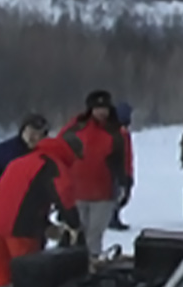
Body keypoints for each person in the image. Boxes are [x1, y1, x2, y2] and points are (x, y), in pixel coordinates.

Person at [0, 134, 77, 287]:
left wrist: (46, 225)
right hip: (22, 229)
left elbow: (22, 197)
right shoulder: (53, 165)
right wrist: (74, 224)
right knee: (29, 277)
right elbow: (64, 194)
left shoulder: (21, 161)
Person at [54, 91, 127, 257]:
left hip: (104, 193)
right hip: (76, 191)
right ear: (90, 109)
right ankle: (71, 264)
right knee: (76, 233)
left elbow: (125, 161)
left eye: (105, 108)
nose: (102, 112)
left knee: (94, 234)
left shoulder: (117, 133)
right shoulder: (73, 129)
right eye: (97, 108)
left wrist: (126, 183)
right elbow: (57, 153)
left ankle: (91, 264)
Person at [0, 114, 49, 223]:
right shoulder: (3, 152)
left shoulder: (47, 155)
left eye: (37, 134)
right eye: (30, 133)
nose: (32, 138)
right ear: (22, 131)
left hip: (33, 215)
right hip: (5, 210)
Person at [108, 100, 138, 233]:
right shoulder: (116, 133)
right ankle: (112, 218)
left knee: (123, 195)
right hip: (118, 170)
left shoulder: (124, 133)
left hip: (126, 169)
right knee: (118, 195)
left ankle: (114, 217)